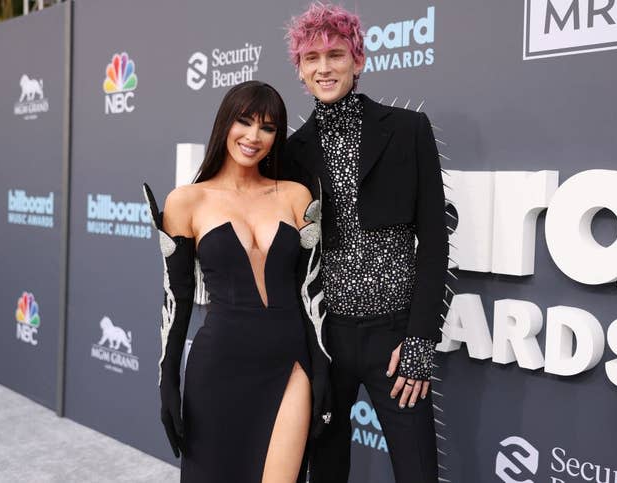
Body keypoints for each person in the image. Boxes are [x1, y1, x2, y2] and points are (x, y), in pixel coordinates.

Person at [284, 4, 449, 482]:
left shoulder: (407, 130)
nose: (324, 67)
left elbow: (434, 239)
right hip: (326, 338)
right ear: (300, 70)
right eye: (311, 58)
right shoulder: (292, 152)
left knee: (418, 471)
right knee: (326, 471)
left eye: (335, 54)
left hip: (396, 336)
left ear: (357, 61)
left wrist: (419, 338)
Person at [143, 80, 330, 483]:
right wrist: (167, 381)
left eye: (267, 127)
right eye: (244, 121)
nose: (253, 136)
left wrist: (323, 371)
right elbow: (176, 298)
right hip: (218, 367)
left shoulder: (296, 196)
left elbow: (311, 292)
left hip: (289, 363)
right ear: (225, 123)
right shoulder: (187, 201)